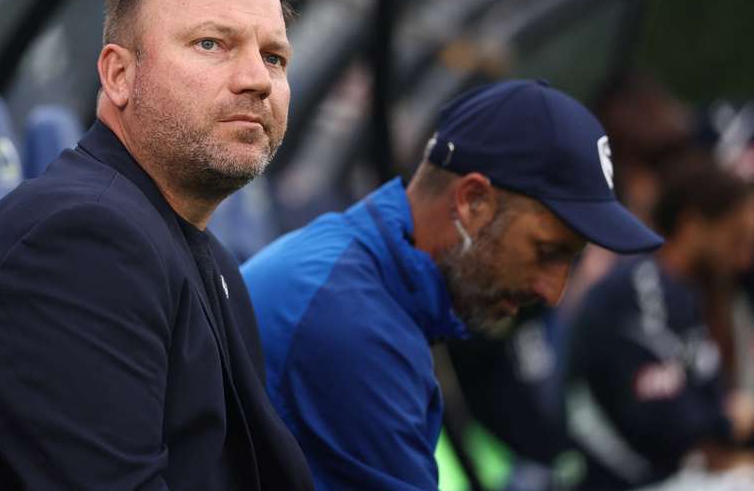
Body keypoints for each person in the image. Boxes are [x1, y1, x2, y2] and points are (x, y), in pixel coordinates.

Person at [0, 0, 313, 490]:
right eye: (211, 44)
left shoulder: (201, 253)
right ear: (119, 75)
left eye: (274, 57)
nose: (257, 79)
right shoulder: (82, 241)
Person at [242, 78, 664, 490]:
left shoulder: (362, 278)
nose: (552, 291)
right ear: (472, 202)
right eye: (546, 252)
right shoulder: (354, 323)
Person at [565, 156, 754, 490]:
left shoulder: (686, 294)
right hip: (621, 480)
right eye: (735, 239)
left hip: (682, 472)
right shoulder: (639, 291)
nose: (743, 259)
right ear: (692, 226)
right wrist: (729, 421)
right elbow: (663, 424)